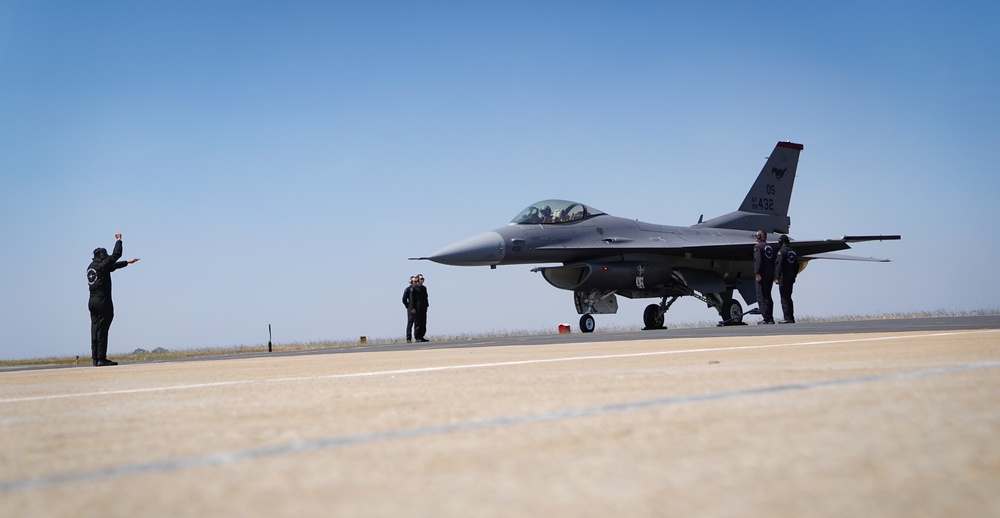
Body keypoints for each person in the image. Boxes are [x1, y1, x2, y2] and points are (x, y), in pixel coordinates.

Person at [87, 233, 140, 366]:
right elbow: (116, 255)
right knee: (103, 329)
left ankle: (95, 359)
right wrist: (119, 240)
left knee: (95, 330)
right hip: (102, 301)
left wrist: (128, 262)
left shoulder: (92, 267)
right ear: (102, 256)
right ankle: (101, 358)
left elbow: (113, 266)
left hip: (92, 302)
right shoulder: (102, 265)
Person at [774, 234, 799, 324]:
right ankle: (790, 317)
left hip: (784, 278)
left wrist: (777, 277)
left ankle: (787, 318)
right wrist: (794, 275)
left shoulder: (782, 252)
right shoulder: (792, 252)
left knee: (784, 298)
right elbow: (797, 265)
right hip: (791, 277)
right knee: (788, 297)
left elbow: (779, 265)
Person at [752, 230, 775, 324]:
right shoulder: (769, 247)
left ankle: (766, 318)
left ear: (759, 237)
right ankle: (770, 318)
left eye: (756, 236)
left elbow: (758, 260)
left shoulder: (758, 247)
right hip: (770, 274)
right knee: (768, 295)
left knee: (761, 295)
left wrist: (757, 273)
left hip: (762, 275)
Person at [408, 274, 429, 342]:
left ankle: (422, 336)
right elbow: (411, 299)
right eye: (421, 279)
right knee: (418, 322)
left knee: (423, 322)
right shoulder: (413, 288)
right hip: (417, 307)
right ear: (417, 280)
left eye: (423, 279)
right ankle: (417, 337)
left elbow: (426, 297)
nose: (423, 280)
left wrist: (427, 305)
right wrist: (412, 308)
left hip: (423, 307)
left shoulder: (424, 288)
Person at [402, 275, 417, 342]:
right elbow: (404, 299)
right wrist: (408, 306)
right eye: (414, 281)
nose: (416, 282)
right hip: (411, 309)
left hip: (417, 308)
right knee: (410, 323)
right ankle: (408, 338)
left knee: (417, 323)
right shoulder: (408, 289)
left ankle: (417, 337)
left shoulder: (417, 289)